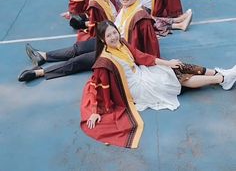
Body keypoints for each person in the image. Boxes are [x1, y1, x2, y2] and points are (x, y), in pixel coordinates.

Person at [81, 21, 236, 148]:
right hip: (138, 87)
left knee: (176, 66)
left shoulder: (122, 43)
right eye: (108, 35)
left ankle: (217, 73)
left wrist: (167, 62)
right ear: (102, 40)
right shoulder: (104, 62)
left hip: (143, 73)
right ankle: (222, 78)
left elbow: (141, 57)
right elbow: (97, 87)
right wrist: (96, 111)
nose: (113, 36)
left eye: (114, 32)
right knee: (180, 80)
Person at [18, 0, 160, 82]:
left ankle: (39, 73)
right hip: (112, 40)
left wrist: (151, 62)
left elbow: (149, 46)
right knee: (79, 47)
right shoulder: (125, 7)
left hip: (121, 52)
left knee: (81, 60)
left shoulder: (141, 17)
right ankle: (43, 56)